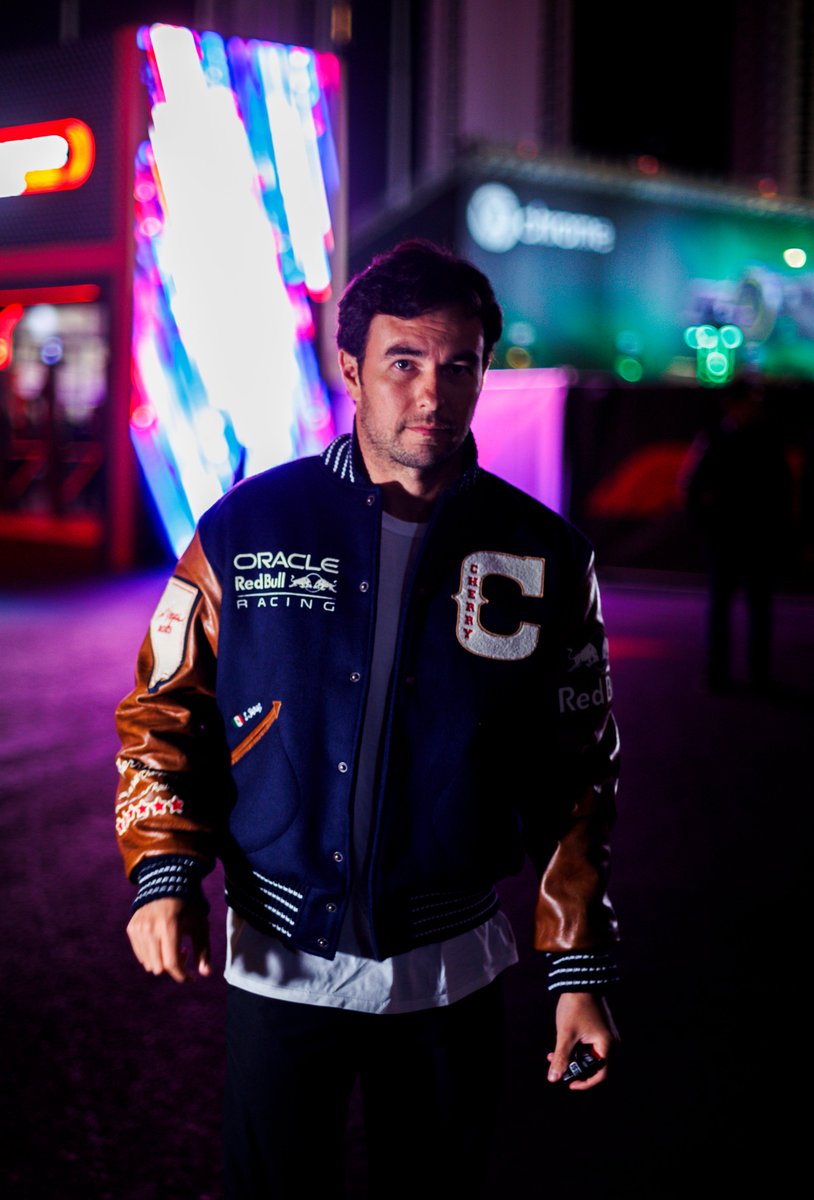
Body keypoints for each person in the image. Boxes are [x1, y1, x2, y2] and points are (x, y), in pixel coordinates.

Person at [116, 240, 620, 1199]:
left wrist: (579, 964)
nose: (433, 393)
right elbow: (164, 711)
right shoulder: (247, 528)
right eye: (404, 362)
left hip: (451, 973)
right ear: (350, 368)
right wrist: (163, 870)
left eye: (460, 365)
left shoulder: (544, 556)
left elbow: (577, 773)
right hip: (279, 960)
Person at [684, 376, 793, 691]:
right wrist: (706, 527)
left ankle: (756, 673)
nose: (753, 406)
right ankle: (720, 671)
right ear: (733, 403)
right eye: (749, 400)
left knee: (757, 606)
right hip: (727, 537)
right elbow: (693, 487)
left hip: (755, 537)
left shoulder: (763, 438)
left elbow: (782, 488)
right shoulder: (718, 438)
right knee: (725, 605)